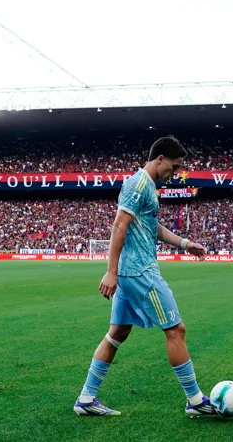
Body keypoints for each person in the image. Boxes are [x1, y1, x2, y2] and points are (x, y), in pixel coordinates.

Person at [74, 136, 215, 417]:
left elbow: (153, 227)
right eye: (174, 168)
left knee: (118, 332)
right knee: (176, 330)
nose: (175, 174)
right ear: (160, 158)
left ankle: (86, 399)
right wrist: (111, 272)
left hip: (131, 272)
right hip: (139, 272)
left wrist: (186, 244)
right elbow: (119, 225)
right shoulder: (139, 184)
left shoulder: (147, 186)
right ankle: (195, 400)